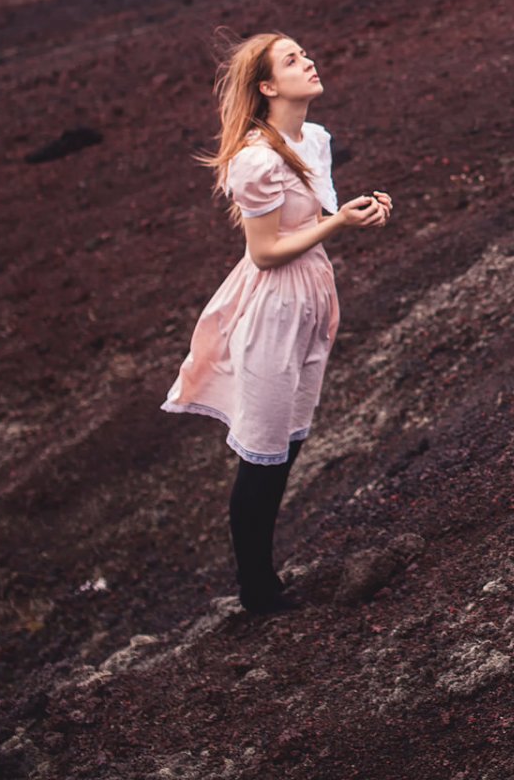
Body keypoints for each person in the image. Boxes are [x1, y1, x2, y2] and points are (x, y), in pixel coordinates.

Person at [162, 31, 392, 615]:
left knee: (287, 444)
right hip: (273, 305)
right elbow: (265, 251)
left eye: (306, 54)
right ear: (267, 86)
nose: (309, 61)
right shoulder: (255, 159)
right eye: (293, 60)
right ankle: (257, 590)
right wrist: (338, 225)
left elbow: (313, 218)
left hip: (312, 298)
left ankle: (266, 580)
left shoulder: (313, 138)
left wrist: (355, 214)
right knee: (263, 452)